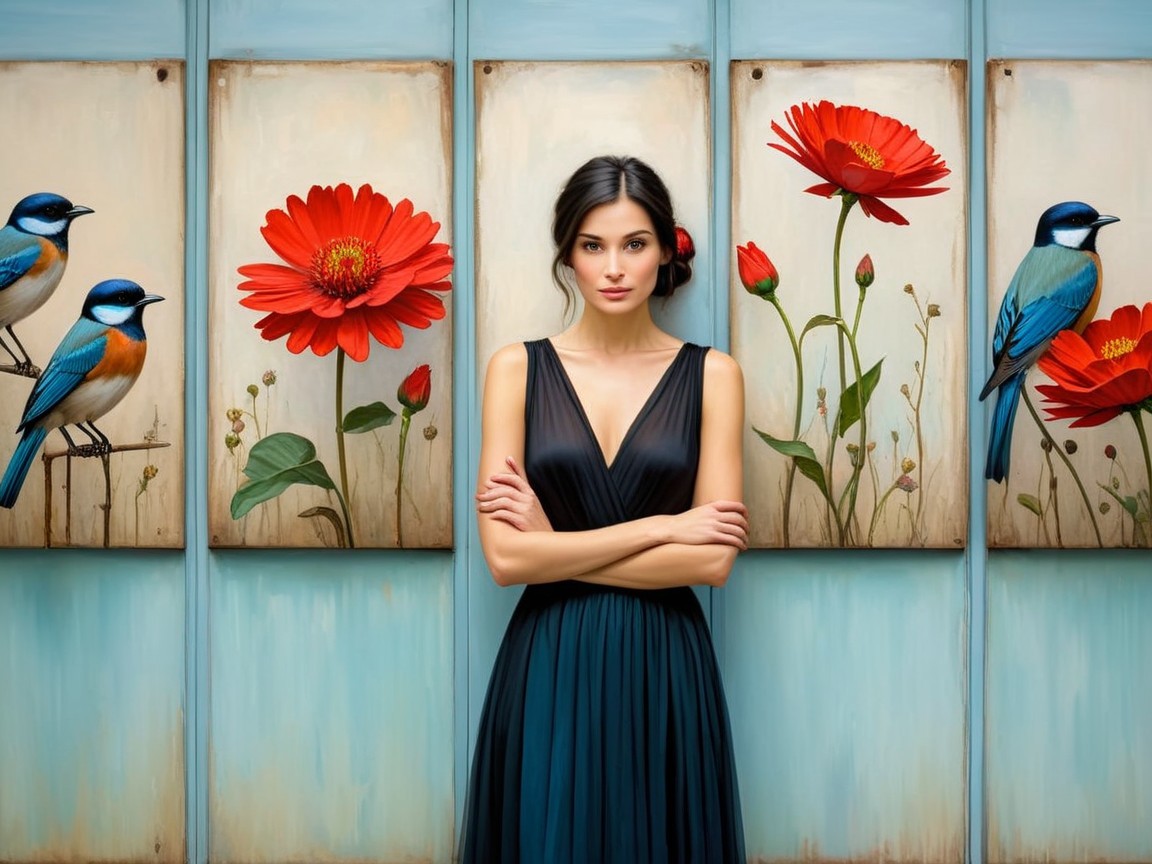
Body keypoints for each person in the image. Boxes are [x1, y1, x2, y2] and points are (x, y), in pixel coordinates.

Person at [461, 155, 747, 863]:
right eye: (593, 246)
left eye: (634, 244)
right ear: (568, 256)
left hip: (665, 667)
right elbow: (504, 559)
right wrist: (662, 527)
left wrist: (553, 546)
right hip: (547, 666)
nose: (614, 267)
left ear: (663, 252)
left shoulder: (714, 375)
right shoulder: (515, 370)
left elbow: (710, 561)